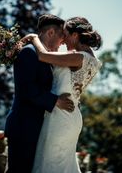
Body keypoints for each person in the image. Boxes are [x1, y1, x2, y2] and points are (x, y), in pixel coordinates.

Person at [24, 17, 102, 173]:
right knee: (61, 165)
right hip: (71, 115)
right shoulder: (93, 60)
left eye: (65, 35)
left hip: (60, 117)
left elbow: (43, 56)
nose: (63, 40)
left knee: (50, 164)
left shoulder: (78, 57)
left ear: (75, 35)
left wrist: (34, 38)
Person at [4, 14, 75, 173]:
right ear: (50, 33)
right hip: (23, 126)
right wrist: (56, 101)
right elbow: (27, 89)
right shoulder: (29, 52)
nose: (63, 42)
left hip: (33, 126)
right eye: (61, 36)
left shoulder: (43, 56)